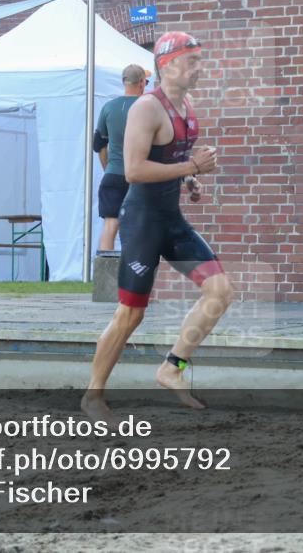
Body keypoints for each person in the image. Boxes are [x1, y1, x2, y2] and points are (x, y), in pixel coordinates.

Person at [82, 32, 234, 420]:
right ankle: (92, 395)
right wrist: (192, 167)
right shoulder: (146, 109)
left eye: (200, 60)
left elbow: (171, 158)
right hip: (143, 222)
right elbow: (133, 170)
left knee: (219, 290)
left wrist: (188, 180)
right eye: (192, 61)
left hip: (171, 218)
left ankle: (172, 368)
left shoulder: (187, 105)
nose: (199, 67)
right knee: (131, 314)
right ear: (167, 65)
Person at [93, 64, 150, 251]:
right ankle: (134, 274)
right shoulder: (147, 107)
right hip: (139, 177)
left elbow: (98, 144)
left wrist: (108, 167)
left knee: (110, 226)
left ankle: (104, 275)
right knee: (138, 227)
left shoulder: (108, 107)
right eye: (146, 82)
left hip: (112, 175)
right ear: (141, 83)